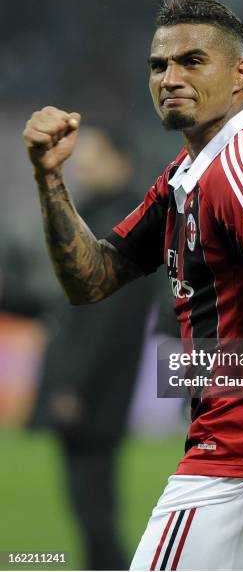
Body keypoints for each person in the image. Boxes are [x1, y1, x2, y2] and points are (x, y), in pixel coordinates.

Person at [23, 0, 243, 571]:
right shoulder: (186, 177)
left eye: (192, 61)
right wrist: (49, 179)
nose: (170, 78)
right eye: (159, 65)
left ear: (240, 76)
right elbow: (92, 278)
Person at [28, 126, 154, 570]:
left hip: (92, 398)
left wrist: (71, 385)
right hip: (94, 394)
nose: (80, 164)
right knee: (90, 515)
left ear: (121, 163)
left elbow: (104, 320)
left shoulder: (120, 226)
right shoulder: (106, 216)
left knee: (95, 517)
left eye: (93, 155)